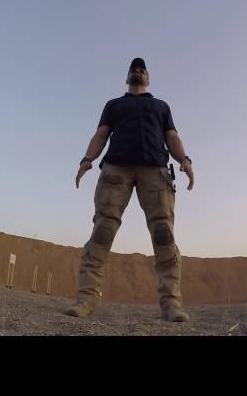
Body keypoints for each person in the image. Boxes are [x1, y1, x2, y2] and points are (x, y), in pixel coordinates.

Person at [66, 57, 194, 322]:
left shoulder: (161, 106)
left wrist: (185, 160)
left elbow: (171, 137)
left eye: (142, 69)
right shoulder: (114, 105)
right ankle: (86, 299)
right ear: (127, 77)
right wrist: (86, 160)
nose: (137, 71)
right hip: (116, 169)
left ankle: (171, 304)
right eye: (134, 69)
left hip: (155, 171)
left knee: (163, 234)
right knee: (103, 231)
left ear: (148, 78)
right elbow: (101, 134)